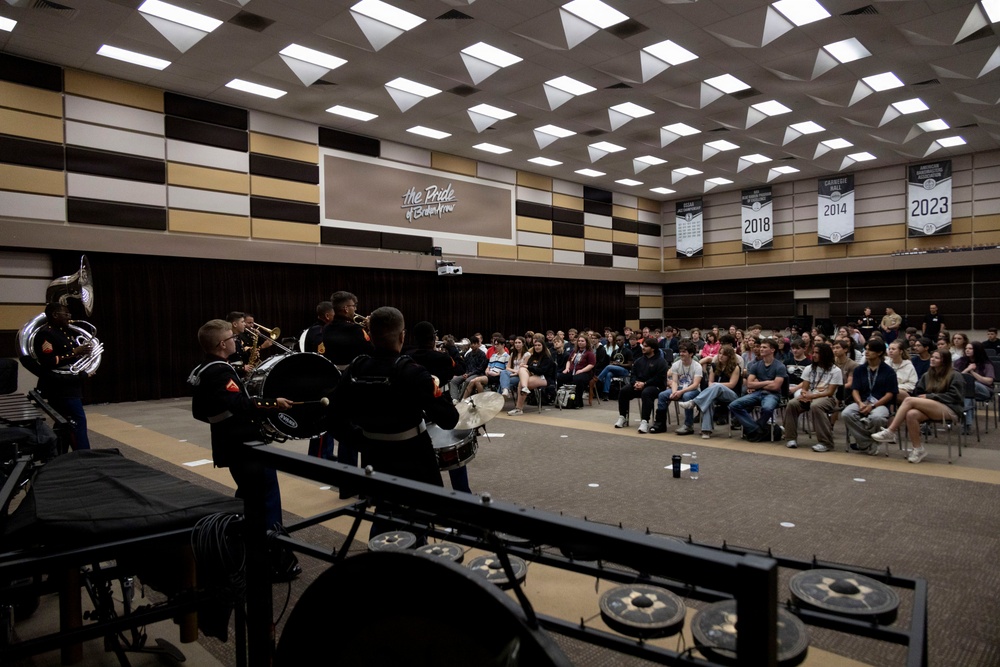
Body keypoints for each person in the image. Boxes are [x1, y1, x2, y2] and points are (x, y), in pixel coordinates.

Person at [328, 307, 460, 537]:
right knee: (417, 523)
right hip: (414, 458)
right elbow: (449, 420)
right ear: (402, 336)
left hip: (374, 457)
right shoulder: (412, 372)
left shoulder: (355, 369)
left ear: (370, 333)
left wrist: (363, 442)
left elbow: (332, 419)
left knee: (383, 515)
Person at [188, 319, 299, 580]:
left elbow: (200, 412)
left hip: (230, 441)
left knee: (249, 496)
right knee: (265, 498)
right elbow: (240, 404)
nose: (237, 341)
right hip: (243, 444)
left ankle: (248, 548)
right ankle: (272, 559)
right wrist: (273, 402)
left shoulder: (205, 369)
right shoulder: (219, 371)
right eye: (232, 338)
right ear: (222, 344)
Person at [407, 321, 471, 493]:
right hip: (440, 405)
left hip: (416, 411)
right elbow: (461, 369)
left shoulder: (408, 355)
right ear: (434, 338)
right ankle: (462, 492)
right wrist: (453, 350)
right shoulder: (441, 357)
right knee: (452, 448)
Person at [872, 350, 964, 462]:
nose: (932, 359)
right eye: (932, 357)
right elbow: (918, 392)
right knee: (911, 414)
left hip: (950, 408)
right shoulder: (927, 375)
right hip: (931, 407)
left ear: (944, 361)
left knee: (908, 400)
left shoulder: (955, 375)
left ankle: (891, 431)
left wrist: (930, 397)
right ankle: (918, 449)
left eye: (937, 358)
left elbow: (955, 396)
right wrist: (924, 398)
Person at [321, 291, 374, 467]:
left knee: (345, 433)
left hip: (337, 384)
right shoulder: (356, 330)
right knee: (366, 431)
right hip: (357, 384)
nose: (355, 309)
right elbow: (371, 351)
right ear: (345, 308)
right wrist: (369, 329)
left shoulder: (326, 329)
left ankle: (347, 483)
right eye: (353, 306)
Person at [33, 302, 93, 450]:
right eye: (66, 314)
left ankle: (60, 454)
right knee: (77, 420)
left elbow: (71, 357)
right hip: (59, 386)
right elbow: (49, 361)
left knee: (65, 423)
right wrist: (75, 352)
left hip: (70, 383)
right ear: (55, 315)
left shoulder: (65, 332)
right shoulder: (45, 334)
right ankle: (84, 454)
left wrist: (85, 354)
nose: (69, 317)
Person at [841, 339, 898, 454]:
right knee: (846, 413)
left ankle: (863, 442)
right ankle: (868, 442)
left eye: (871, 350)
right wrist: (860, 403)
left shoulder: (889, 371)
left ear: (879, 353)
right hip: (862, 402)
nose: (867, 352)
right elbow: (855, 390)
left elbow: (890, 394)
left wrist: (872, 406)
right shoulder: (859, 370)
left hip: (881, 404)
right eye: (866, 349)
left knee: (877, 418)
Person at [783, 343, 842, 452]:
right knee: (792, 404)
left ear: (825, 355)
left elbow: (830, 392)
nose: (813, 355)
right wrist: (805, 394)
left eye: (817, 353)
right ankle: (790, 438)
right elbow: (804, 388)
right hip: (810, 396)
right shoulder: (809, 368)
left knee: (816, 406)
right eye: (813, 352)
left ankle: (826, 442)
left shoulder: (835, 370)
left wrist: (813, 396)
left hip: (827, 398)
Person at [729, 338, 788, 442]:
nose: (761, 349)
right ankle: (755, 428)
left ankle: (756, 428)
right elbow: (749, 384)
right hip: (758, 393)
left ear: (772, 350)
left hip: (773, 395)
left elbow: (776, 387)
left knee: (767, 408)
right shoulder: (756, 365)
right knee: (733, 405)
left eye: (764, 347)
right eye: (761, 347)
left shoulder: (780, 366)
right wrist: (767, 382)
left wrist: (758, 384)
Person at [679, 344, 741, 439]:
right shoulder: (714, 366)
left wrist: (717, 385)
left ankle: (694, 402)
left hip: (731, 394)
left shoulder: (735, 367)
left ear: (729, 356)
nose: (720, 356)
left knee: (716, 385)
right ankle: (706, 430)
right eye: (719, 353)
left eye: (724, 354)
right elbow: (710, 382)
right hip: (715, 393)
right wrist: (715, 386)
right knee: (708, 401)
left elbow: (732, 384)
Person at [303, 301, 336, 459]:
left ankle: (325, 453)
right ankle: (319, 456)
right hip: (320, 381)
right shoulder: (319, 331)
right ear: (328, 315)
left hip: (322, 380)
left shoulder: (322, 329)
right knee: (323, 421)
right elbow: (323, 355)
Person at [614, 339, 668, 432]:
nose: (643, 348)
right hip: (639, 384)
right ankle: (623, 417)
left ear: (653, 348)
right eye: (643, 345)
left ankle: (644, 421)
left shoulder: (661, 362)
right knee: (624, 391)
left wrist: (645, 384)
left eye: (646, 346)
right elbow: (633, 374)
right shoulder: (639, 360)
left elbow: (659, 378)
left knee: (646, 393)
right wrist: (635, 383)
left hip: (655, 386)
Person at [651, 340, 702, 435]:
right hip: (679, 388)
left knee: (687, 396)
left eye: (684, 352)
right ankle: (660, 423)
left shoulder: (697, 366)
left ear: (691, 354)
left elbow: (695, 385)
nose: (681, 354)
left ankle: (688, 425)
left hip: (693, 390)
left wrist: (680, 392)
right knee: (662, 395)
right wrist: (674, 392)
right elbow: (674, 381)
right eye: (680, 351)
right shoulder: (676, 364)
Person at [954, 341, 995, 433]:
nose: (967, 350)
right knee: (968, 396)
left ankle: (960, 419)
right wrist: (967, 369)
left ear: (977, 350)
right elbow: (956, 379)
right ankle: (966, 425)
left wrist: (973, 373)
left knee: (971, 385)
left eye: (970, 348)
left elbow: (989, 381)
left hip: (984, 391)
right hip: (967, 392)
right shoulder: (960, 362)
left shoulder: (986, 364)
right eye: (966, 348)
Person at [508, 338, 554, 415]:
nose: (537, 347)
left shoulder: (547, 357)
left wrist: (528, 368)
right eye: (535, 345)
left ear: (543, 346)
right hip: (534, 375)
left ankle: (519, 409)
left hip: (544, 377)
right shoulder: (533, 356)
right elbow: (529, 367)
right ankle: (525, 388)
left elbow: (542, 371)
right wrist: (525, 367)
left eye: (539, 345)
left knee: (521, 383)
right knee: (522, 369)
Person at [557, 335, 595, 410]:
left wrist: (582, 370)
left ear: (586, 342)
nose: (580, 343)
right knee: (560, 377)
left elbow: (591, 365)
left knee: (578, 379)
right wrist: (567, 368)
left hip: (585, 372)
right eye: (579, 341)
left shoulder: (589, 353)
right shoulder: (575, 351)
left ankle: (578, 402)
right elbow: (568, 361)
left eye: (582, 341)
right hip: (572, 371)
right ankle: (560, 400)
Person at [449, 335, 486, 401]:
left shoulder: (482, 354)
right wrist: (465, 373)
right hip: (468, 373)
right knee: (453, 381)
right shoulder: (468, 355)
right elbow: (465, 366)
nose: (472, 345)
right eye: (471, 344)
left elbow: (480, 369)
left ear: (478, 344)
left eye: (474, 344)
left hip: (478, 374)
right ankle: (455, 399)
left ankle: (461, 399)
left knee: (468, 381)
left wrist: (469, 374)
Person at [596, 334, 633, 399]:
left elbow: (630, 365)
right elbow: (611, 362)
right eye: (616, 340)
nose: (618, 342)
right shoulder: (614, 351)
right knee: (608, 374)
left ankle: (598, 379)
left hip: (625, 370)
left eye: (619, 340)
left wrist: (619, 364)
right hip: (615, 369)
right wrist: (613, 363)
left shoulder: (628, 351)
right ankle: (606, 393)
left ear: (623, 341)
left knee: (608, 367)